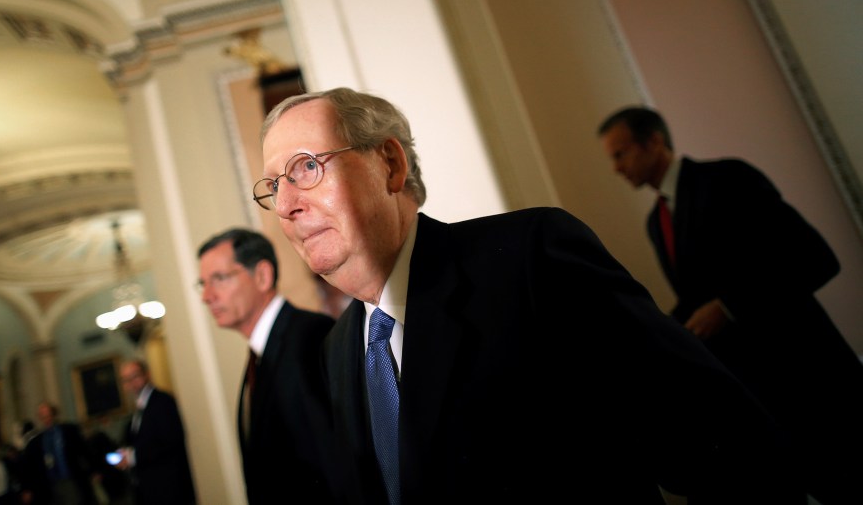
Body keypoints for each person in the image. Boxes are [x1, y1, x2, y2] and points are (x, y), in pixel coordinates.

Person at [255, 86, 811, 505]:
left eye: (306, 167)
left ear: (390, 164)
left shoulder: (529, 259)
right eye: (274, 185)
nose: (285, 205)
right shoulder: (339, 349)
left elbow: (723, 441)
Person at [597, 105, 863, 505]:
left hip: (812, 383)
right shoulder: (658, 221)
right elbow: (694, 300)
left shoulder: (726, 179)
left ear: (654, 142)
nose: (616, 168)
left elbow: (813, 257)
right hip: (763, 404)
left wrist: (729, 306)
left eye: (620, 154)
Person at [198, 227, 345, 503]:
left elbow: (334, 464)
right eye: (202, 283)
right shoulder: (258, 356)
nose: (206, 296)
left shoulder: (309, 337)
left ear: (262, 276)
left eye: (218, 279)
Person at [115, 359, 197, 505]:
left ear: (147, 374)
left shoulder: (162, 401)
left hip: (168, 488)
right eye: (126, 380)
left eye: (135, 377)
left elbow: (171, 440)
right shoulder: (139, 407)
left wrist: (133, 457)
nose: (131, 383)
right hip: (150, 488)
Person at [19, 401, 98, 505]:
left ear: (53, 414)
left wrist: (95, 470)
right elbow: (29, 466)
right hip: (49, 485)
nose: (46, 419)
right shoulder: (37, 441)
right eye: (43, 416)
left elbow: (85, 451)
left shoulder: (69, 430)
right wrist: (27, 488)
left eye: (48, 415)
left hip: (69, 480)